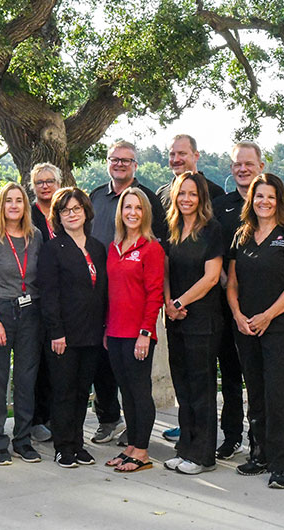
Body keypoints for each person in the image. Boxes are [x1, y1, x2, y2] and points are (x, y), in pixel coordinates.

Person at [226, 173, 284, 489]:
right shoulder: (241, 236)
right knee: (255, 395)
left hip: (279, 329)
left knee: (276, 398)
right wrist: (238, 315)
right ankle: (258, 455)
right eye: (259, 196)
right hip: (245, 329)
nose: (264, 201)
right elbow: (231, 283)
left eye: (271, 197)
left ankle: (280, 464)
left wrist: (268, 316)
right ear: (252, 200)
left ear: (279, 201)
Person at [89, 140, 167, 446]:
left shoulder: (148, 207)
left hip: (138, 317)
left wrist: (146, 330)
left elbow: (154, 287)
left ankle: (139, 445)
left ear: (135, 164)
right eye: (114, 159)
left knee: (137, 386)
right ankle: (112, 422)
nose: (120, 164)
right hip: (108, 309)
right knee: (108, 373)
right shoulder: (97, 197)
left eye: (126, 160)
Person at [155, 135, 223, 443]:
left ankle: (203, 450)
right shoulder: (172, 229)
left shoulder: (212, 230)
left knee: (201, 386)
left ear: (201, 197)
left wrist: (180, 302)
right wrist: (169, 301)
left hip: (201, 319)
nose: (185, 198)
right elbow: (166, 268)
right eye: (180, 193)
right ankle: (186, 446)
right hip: (175, 317)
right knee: (182, 384)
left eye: (191, 194)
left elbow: (211, 277)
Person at [0, 182, 44, 466]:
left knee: (27, 379)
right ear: (0, 206)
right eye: (8, 201)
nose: (14, 205)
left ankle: (23, 440)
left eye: (19, 201)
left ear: (25, 206)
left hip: (31, 311)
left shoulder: (35, 236)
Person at [38, 187, 107, 468]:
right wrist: (56, 332)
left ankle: (78, 443)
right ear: (58, 216)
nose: (71, 214)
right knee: (64, 391)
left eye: (76, 208)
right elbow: (49, 293)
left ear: (86, 211)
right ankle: (63, 446)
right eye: (65, 210)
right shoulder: (53, 249)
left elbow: (103, 292)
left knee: (82, 392)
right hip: (63, 335)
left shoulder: (97, 247)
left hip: (91, 333)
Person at [210, 141, 266, 460]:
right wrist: (228, 287)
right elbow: (213, 253)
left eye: (248, 163)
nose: (242, 169)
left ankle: (261, 439)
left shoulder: (270, 202)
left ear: (260, 166)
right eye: (237, 164)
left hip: (263, 308)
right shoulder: (220, 205)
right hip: (223, 305)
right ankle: (231, 436)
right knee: (230, 375)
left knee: (259, 379)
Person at [104, 188, 164, 473]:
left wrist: (145, 332)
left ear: (145, 213)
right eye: (127, 207)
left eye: (138, 208)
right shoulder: (114, 248)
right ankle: (130, 447)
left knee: (140, 391)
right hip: (114, 332)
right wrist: (106, 329)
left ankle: (142, 451)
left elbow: (155, 295)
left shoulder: (151, 248)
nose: (132, 213)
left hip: (137, 334)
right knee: (125, 392)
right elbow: (111, 292)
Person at [29, 162, 62, 443]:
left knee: (60, 360)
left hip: (66, 298)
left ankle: (57, 416)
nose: (45, 186)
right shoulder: (27, 214)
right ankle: (36, 419)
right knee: (37, 360)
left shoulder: (67, 210)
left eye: (50, 180)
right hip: (36, 296)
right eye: (39, 182)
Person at [156, 134, 225, 211]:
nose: (176, 159)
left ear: (196, 156)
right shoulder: (161, 194)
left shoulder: (214, 192)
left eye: (182, 154)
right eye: (172, 154)